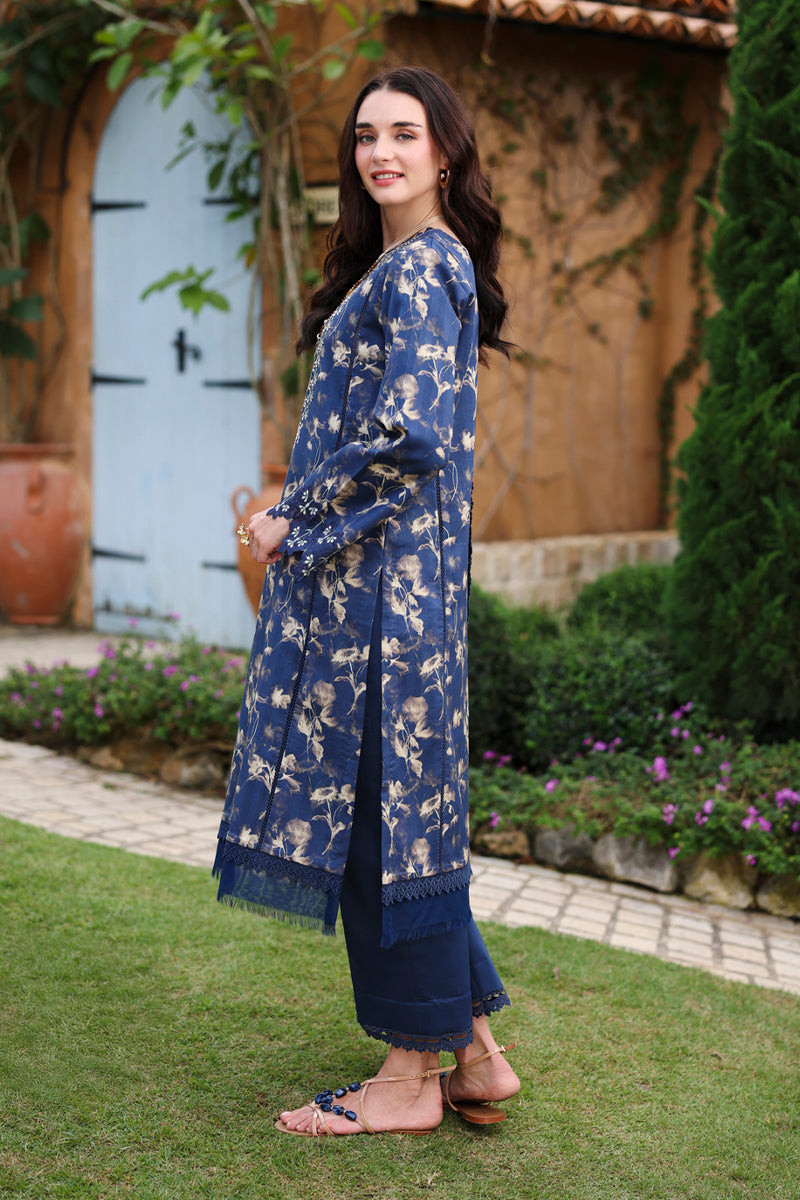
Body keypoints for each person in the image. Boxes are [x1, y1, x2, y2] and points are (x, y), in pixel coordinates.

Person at [216, 66, 520, 1137]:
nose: (380, 152)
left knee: (383, 828)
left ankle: (404, 1080)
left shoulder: (424, 264)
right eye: (364, 136)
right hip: (382, 597)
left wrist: (294, 518)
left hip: (382, 609)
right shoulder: (404, 265)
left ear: (445, 152)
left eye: (404, 133)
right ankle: (474, 1057)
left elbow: (411, 438)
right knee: (401, 819)